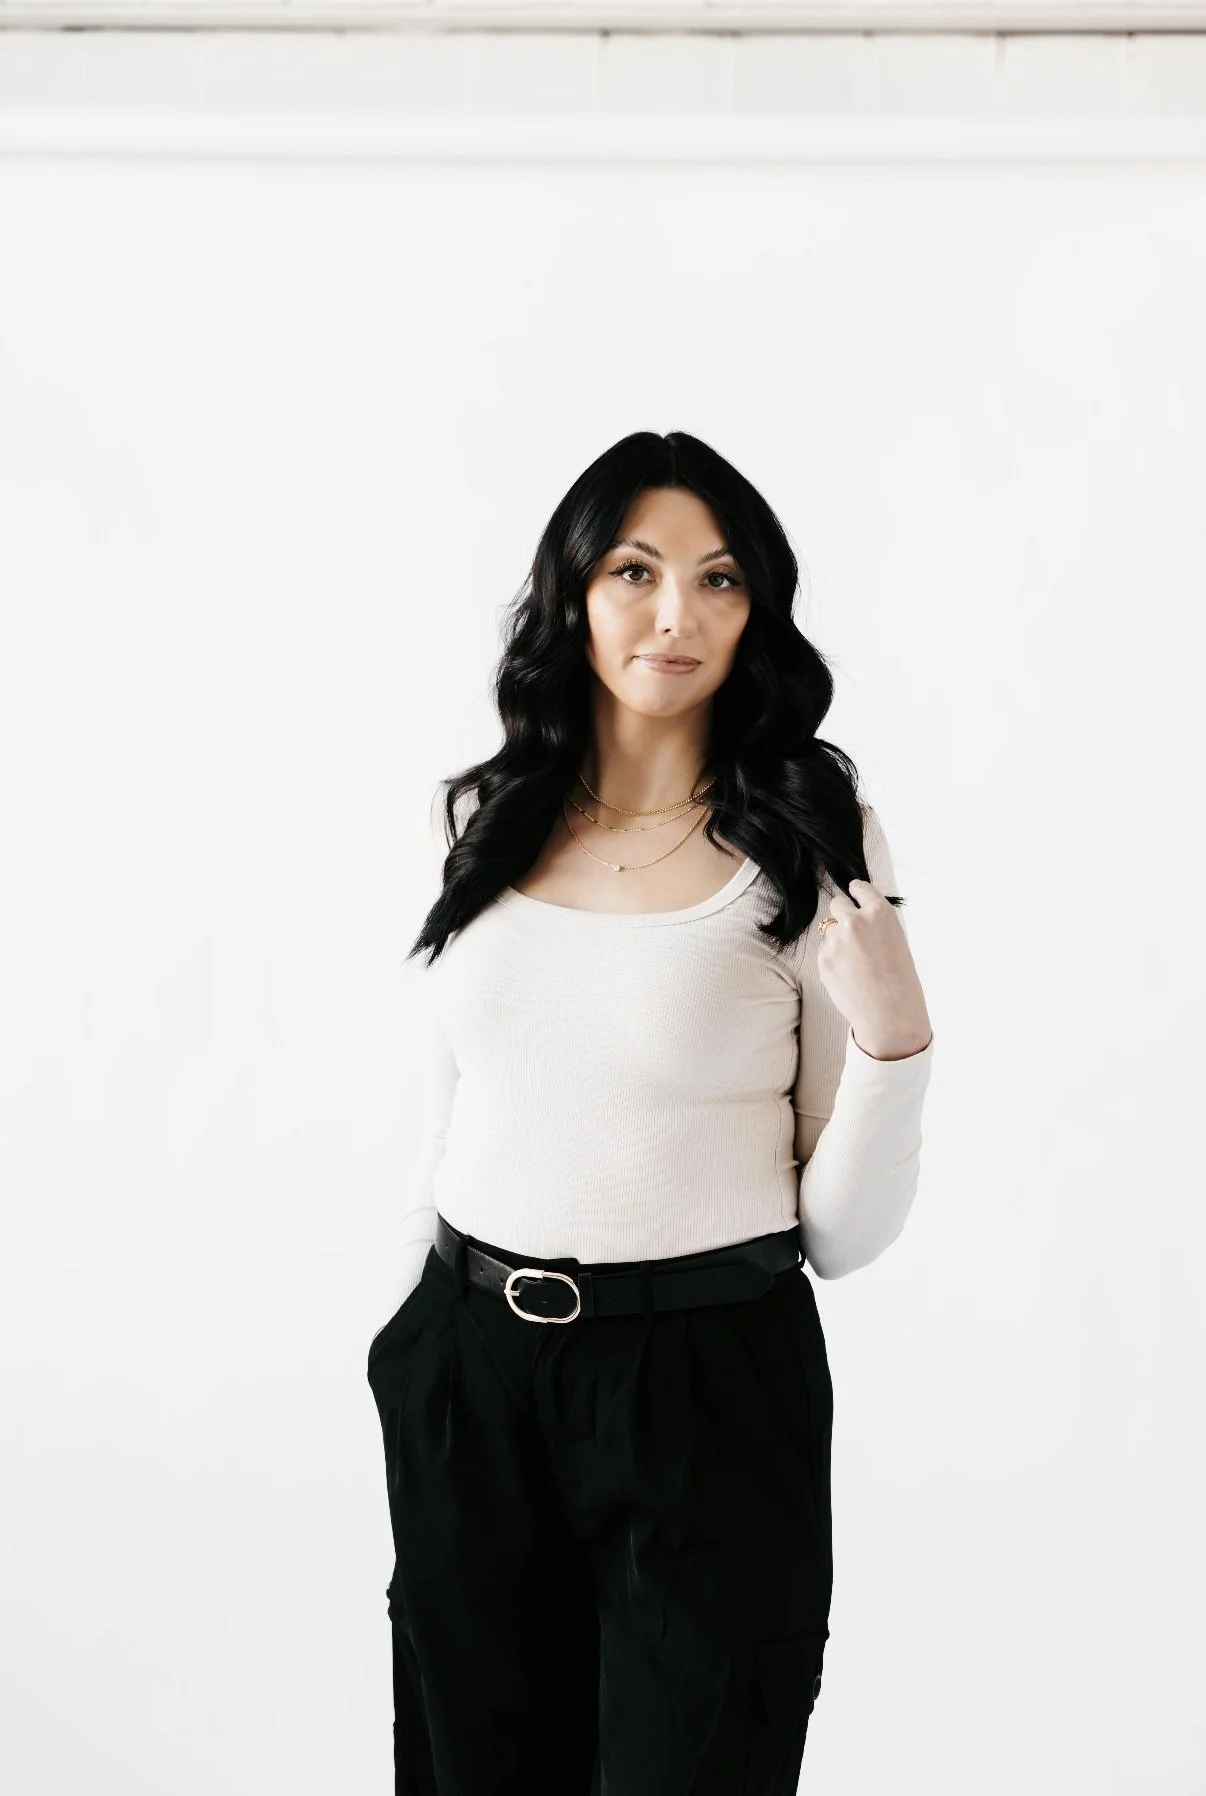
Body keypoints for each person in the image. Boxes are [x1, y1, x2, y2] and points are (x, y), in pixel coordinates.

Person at [366, 430, 935, 1796]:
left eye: (718, 579)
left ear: (755, 611)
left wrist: (896, 1040)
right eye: (634, 571)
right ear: (571, 592)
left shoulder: (810, 838)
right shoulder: (478, 818)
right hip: (469, 1374)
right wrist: (411, 1345)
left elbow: (841, 1236)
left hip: (705, 1386)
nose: (675, 614)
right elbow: (454, 1109)